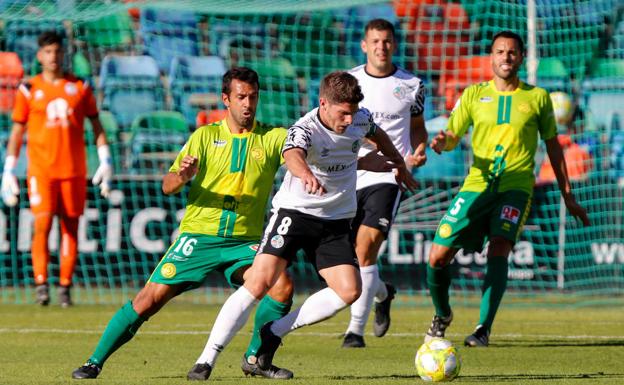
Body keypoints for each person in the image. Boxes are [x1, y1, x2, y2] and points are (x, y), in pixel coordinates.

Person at [186, 71, 417, 380]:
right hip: (294, 215)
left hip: (335, 221)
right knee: (258, 282)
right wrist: (305, 173)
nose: (349, 120)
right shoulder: (304, 128)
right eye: (342, 113)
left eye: (352, 112)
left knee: (349, 291)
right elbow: (292, 154)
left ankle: (273, 332)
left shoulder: (359, 119)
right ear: (323, 103)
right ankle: (206, 359)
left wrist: (397, 165)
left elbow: (378, 135)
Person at [71, 67, 296, 380]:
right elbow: (168, 185)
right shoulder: (205, 136)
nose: (248, 104)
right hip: (199, 237)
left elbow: (300, 155)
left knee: (282, 286)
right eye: (241, 97)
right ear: (226, 99)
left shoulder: (273, 137)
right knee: (148, 300)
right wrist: (183, 175)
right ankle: (94, 361)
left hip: (244, 242)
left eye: (253, 97)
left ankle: (255, 358)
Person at [424, 31, 590, 347]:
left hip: (516, 187)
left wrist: (567, 195)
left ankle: (483, 328)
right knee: (437, 257)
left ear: (521, 57)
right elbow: (451, 136)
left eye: (512, 52)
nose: (505, 57)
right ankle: (442, 314)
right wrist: (440, 143)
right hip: (477, 186)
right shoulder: (472, 95)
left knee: (500, 246)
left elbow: (553, 147)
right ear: (491, 56)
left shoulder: (537, 98)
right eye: (500, 51)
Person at [0, 31, 112, 307]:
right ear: (40, 55)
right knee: (42, 224)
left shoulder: (81, 87)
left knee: (71, 228)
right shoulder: (28, 89)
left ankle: (64, 286)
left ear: (64, 54)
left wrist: (105, 158)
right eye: (48, 52)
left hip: (74, 171)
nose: (53, 57)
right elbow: (17, 133)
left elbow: (97, 126)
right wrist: (8, 169)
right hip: (41, 171)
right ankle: (41, 284)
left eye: (57, 52)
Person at [342, 18, 428, 348]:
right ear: (364, 45)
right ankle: (383, 292)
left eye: (387, 41)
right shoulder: (349, 81)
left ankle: (355, 331)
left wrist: (418, 150)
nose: (381, 47)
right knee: (354, 256)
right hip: (349, 171)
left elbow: (417, 126)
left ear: (394, 44)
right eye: (375, 41)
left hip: (390, 174)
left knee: (366, 246)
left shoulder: (413, 84)